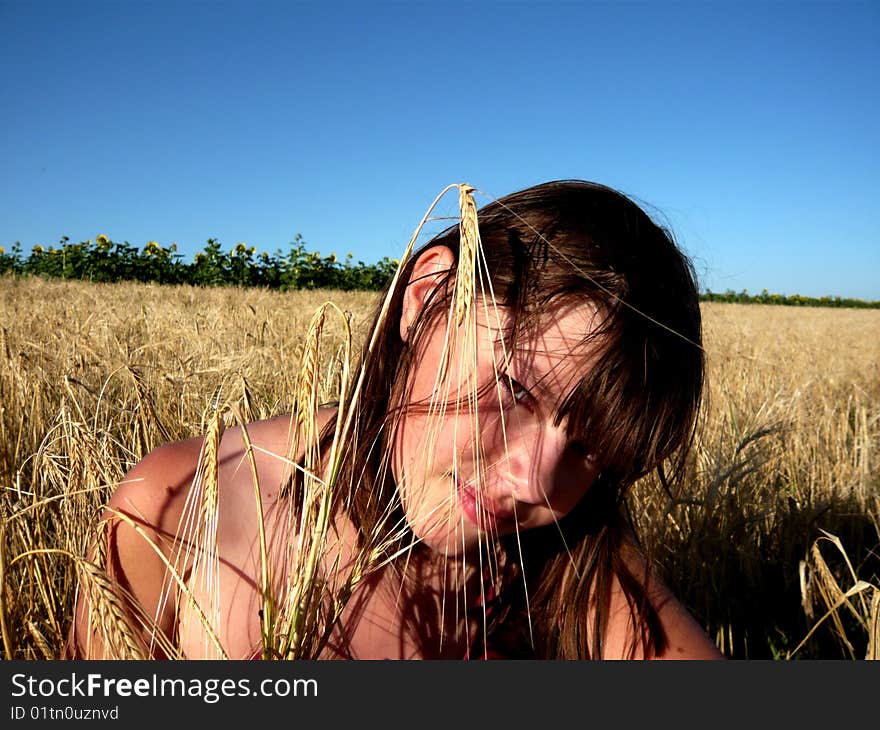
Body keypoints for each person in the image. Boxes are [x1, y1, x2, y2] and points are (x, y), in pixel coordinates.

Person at [66, 180, 724, 660]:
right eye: (518, 390)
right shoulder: (170, 515)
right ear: (426, 297)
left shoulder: (568, 561)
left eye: (589, 451)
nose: (533, 481)